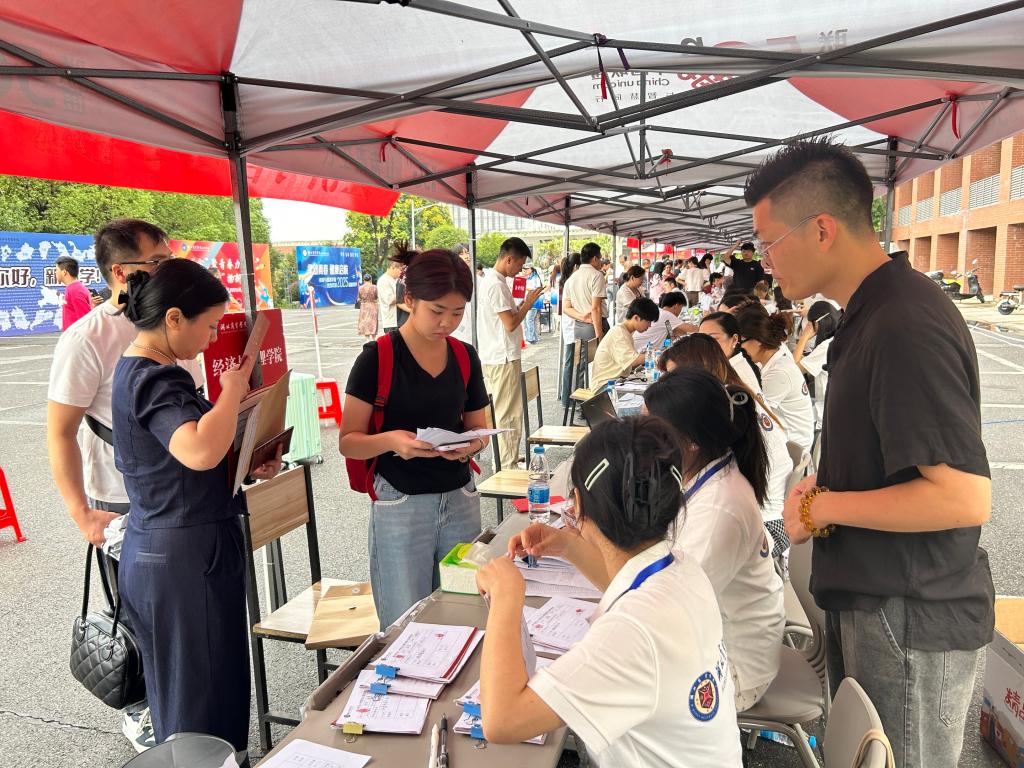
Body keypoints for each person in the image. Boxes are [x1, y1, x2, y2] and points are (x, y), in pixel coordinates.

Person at [747, 138, 992, 768]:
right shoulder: (867, 314)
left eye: (769, 243)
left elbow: (962, 496)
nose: (764, 262)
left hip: (908, 614)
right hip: (877, 603)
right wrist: (823, 488)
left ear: (821, 229)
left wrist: (827, 506)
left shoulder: (903, 323)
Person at [478, 417, 743, 766]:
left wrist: (506, 598)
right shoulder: (680, 568)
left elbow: (502, 720)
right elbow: (624, 585)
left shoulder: (632, 632)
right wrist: (567, 546)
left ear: (577, 503)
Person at [112, 259, 281, 755]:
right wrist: (232, 394)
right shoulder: (155, 379)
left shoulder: (149, 372)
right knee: (198, 697)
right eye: (209, 326)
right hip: (182, 553)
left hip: (178, 544)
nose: (211, 340)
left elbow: (190, 461)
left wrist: (247, 463)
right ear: (173, 319)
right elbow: (199, 451)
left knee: (203, 683)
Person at [47, 219, 202, 752]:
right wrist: (81, 514)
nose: (169, 268)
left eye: (170, 258)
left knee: (184, 616)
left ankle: (187, 710)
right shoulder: (86, 339)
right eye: (157, 262)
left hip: (184, 495)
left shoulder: (174, 319)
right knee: (140, 618)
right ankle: (148, 716)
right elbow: (60, 433)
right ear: (120, 272)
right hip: (120, 501)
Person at [341, 245, 489, 627]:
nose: (447, 323)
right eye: (437, 311)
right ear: (409, 300)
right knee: (405, 621)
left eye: (457, 312)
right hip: (400, 501)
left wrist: (469, 446)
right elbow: (348, 441)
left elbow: (480, 428)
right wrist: (393, 441)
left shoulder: (465, 356)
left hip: (460, 497)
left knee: (463, 611)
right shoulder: (376, 358)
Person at [644, 368, 784, 708]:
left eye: (650, 430)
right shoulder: (705, 471)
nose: (640, 440)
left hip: (734, 670)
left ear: (691, 441)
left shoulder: (721, 508)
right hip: (719, 639)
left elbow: (667, 611)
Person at [657, 336, 792, 558]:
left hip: (769, 525)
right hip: (765, 513)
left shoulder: (726, 416)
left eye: (673, 379)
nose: (668, 389)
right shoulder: (732, 396)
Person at [477, 238, 543, 469]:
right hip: (502, 356)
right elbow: (510, 323)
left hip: (498, 354)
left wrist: (522, 305)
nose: (520, 269)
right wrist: (528, 303)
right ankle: (507, 464)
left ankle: (507, 458)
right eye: (519, 264)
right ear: (508, 259)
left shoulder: (495, 281)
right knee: (508, 412)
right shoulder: (495, 284)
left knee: (505, 410)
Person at [734, 303, 815, 456]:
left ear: (757, 340)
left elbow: (756, 415)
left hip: (792, 447)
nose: (738, 348)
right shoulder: (774, 355)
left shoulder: (779, 373)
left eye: (740, 342)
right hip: (790, 437)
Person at [592, 297, 658, 385]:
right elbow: (633, 361)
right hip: (605, 385)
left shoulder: (625, 331)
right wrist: (656, 355)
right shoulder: (620, 334)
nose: (649, 326)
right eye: (648, 321)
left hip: (617, 381)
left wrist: (647, 353)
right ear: (636, 318)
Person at [698, 311, 763, 396]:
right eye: (701, 339)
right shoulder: (723, 364)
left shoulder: (737, 376)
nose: (705, 344)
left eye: (713, 338)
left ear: (734, 339)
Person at [793, 299, 842, 403]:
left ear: (817, 322)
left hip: (824, 406)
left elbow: (795, 369)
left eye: (810, 323)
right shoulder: (837, 338)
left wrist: (804, 337)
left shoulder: (826, 347)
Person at [562, 242, 609, 344]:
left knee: (583, 354)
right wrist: (599, 335)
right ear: (595, 258)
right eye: (600, 258)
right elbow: (596, 308)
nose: (600, 262)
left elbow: (566, 308)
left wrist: (582, 317)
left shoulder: (571, 279)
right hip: (596, 326)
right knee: (599, 354)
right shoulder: (597, 275)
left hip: (579, 327)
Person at [558, 253, 587, 409]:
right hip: (573, 327)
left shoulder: (568, 281)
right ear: (576, 266)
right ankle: (567, 399)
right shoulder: (572, 281)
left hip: (571, 327)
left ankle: (567, 398)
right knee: (571, 363)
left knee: (570, 363)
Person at [55, 255, 93, 330]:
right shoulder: (73, 288)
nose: (55, 272)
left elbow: (85, 321)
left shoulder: (75, 290)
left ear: (64, 272)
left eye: (56, 270)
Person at [450, 243, 475, 344]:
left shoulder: (478, 278)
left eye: (468, 253)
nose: (466, 256)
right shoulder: (451, 278)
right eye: (462, 253)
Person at [376, 259, 402, 333]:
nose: (401, 272)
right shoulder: (383, 281)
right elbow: (390, 300)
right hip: (392, 323)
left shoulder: (395, 280)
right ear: (393, 267)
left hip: (399, 321)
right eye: (400, 270)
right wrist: (404, 295)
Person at [522, 261, 543, 344]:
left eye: (527, 269)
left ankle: (530, 338)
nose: (525, 271)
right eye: (524, 269)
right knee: (528, 320)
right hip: (526, 302)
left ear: (531, 269)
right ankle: (532, 338)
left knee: (529, 320)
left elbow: (537, 289)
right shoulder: (526, 278)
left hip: (534, 302)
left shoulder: (536, 278)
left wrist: (527, 288)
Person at [356, 273, 378, 342]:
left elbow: (359, 298)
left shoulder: (360, 288)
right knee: (373, 321)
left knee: (365, 321)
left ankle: (367, 339)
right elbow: (376, 296)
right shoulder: (374, 287)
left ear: (364, 280)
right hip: (372, 305)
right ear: (371, 279)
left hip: (364, 306)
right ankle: (373, 338)